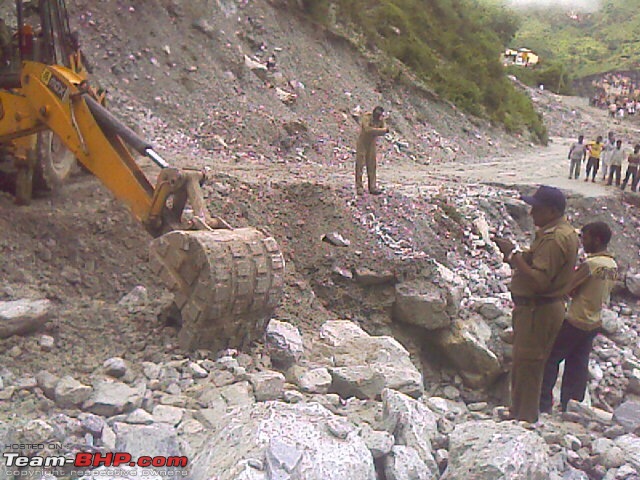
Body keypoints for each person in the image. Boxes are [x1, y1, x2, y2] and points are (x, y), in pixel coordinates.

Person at [493, 185, 579, 423]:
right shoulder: (561, 232)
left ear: (551, 211)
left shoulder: (554, 239)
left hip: (538, 309)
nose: (531, 214)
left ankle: (525, 419)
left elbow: (540, 281)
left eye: (536, 209)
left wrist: (513, 257)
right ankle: (518, 412)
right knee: (524, 363)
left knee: (529, 365)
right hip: (538, 309)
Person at [540, 222, 617, 414]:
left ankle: (543, 403)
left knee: (551, 358)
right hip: (594, 321)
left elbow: (568, 288)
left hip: (575, 319)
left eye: (586, 237)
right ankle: (571, 406)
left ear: (597, 239)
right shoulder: (612, 265)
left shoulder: (590, 264)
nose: (583, 241)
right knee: (578, 364)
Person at [355, 105, 388, 195]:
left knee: (372, 165)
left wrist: (379, 130)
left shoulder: (381, 119)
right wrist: (380, 131)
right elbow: (367, 129)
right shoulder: (367, 117)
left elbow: (385, 129)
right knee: (360, 164)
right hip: (362, 142)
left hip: (372, 143)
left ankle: (372, 187)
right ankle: (359, 187)